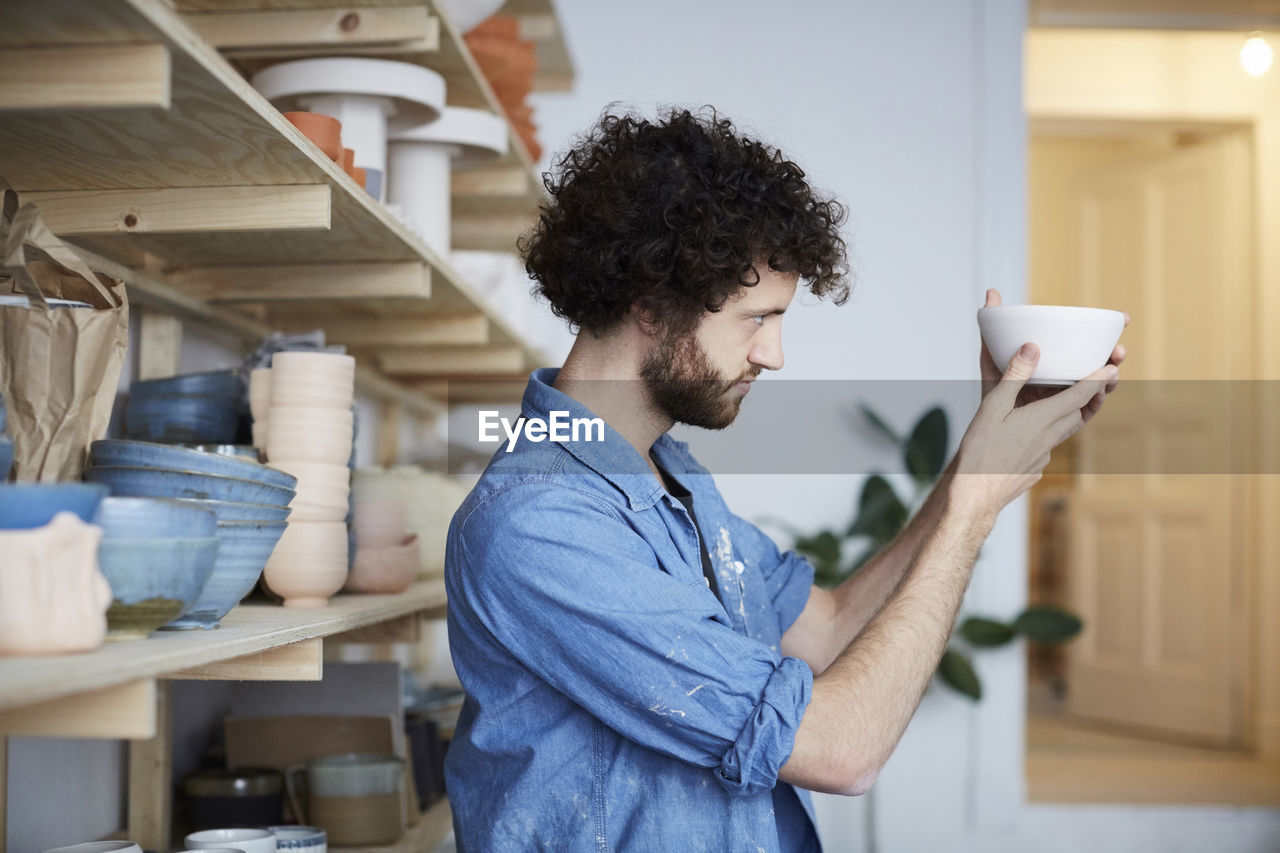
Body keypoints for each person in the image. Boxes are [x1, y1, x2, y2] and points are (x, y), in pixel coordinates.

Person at [442, 108, 1126, 852]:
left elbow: (827, 630)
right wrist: (973, 511)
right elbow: (841, 749)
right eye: (755, 318)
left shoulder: (668, 474)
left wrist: (976, 460)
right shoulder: (539, 523)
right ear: (648, 304)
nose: (773, 354)